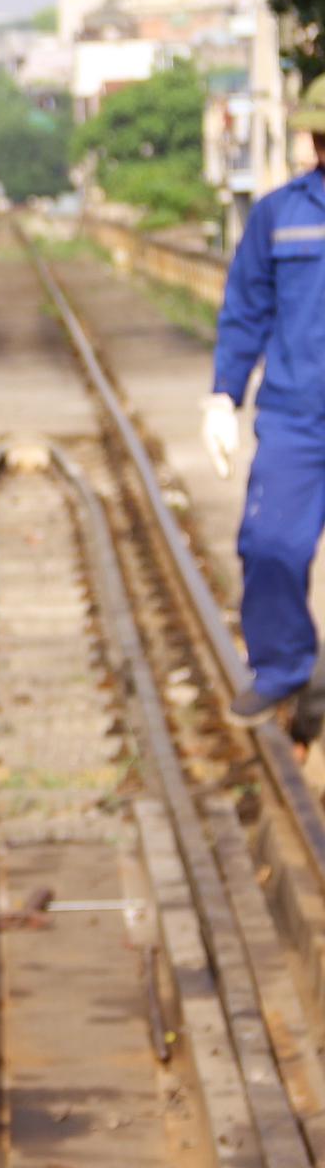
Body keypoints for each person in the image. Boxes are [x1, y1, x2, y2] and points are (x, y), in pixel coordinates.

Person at [207, 75, 325, 720]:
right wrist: (222, 397)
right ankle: (282, 665)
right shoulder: (279, 214)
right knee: (270, 546)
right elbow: (244, 310)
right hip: (295, 418)